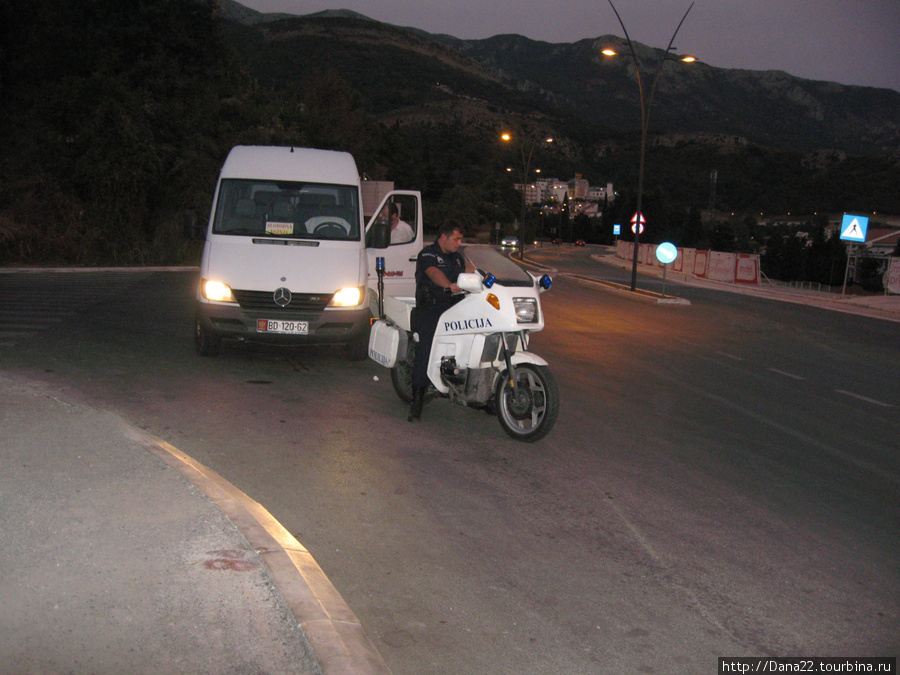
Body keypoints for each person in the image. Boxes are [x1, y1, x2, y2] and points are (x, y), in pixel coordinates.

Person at [407, 220, 466, 422]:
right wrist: (449, 285)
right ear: (443, 237)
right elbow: (434, 273)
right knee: (426, 349)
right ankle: (416, 404)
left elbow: (468, 276)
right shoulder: (428, 254)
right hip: (431, 307)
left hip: (453, 307)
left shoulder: (457, 258)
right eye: (456, 239)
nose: (459, 243)